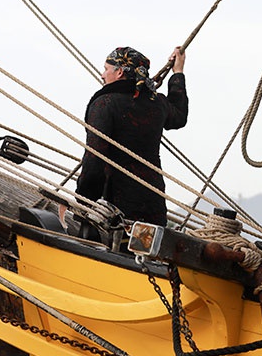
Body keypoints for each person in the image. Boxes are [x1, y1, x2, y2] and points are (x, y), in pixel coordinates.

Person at [75, 46, 188, 230]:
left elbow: (94, 161)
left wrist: (83, 203)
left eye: (106, 69)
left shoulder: (104, 104)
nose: (102, 75)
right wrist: (178, 73)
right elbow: (179, 117)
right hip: (153, 205)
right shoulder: (157, 103)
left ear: (119, 72)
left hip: (113, 210)